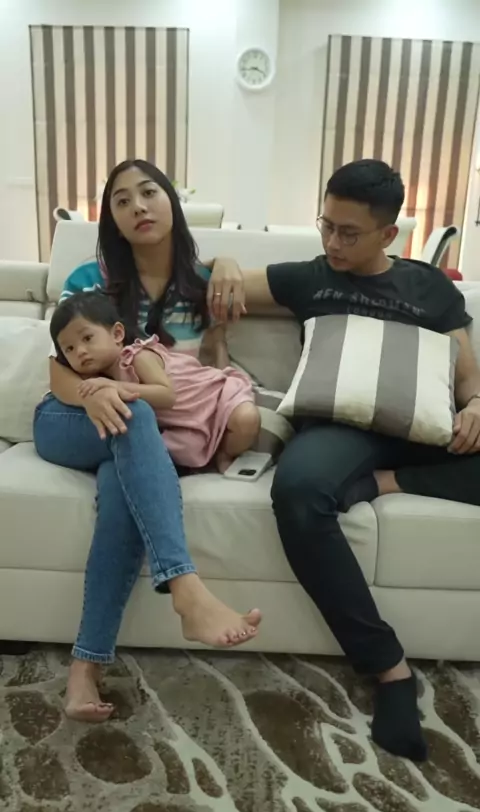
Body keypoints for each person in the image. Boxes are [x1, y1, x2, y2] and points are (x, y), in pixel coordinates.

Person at [208, 158, 480, 762]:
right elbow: (216, 280)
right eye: (326, 225)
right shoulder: (312, 277)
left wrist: (476, 405)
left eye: (348, 233)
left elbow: (465, 371)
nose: (332, 242)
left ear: (388, 234)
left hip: (421, 426)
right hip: (339, 426)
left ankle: (385, 482)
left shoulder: (429, 286)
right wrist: (223, 259)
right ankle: (389, 668)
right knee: (298, 491)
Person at [34, 159, 262, 723]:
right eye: (121, 200)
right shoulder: (88, 281)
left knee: (122, 485)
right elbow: (58, 371)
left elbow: (293, 294)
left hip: (139, 432)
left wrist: (228, 261)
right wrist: (90, 394)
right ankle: (185, 589)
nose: (137, 206)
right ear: (111, 219)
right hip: (68, 417)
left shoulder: (203, 284)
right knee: (131, 414)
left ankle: (85, 669)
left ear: (171, 203)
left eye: (148, 193)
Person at [50, 291, 260, 471]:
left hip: (216, 396)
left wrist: (115, 386)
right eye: (69, 348)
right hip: (186, 424)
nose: (80, 351)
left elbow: (166, 395)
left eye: (87, 338)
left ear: (117, 334)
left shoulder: (137, 356)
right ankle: (211, 453)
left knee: (246, 421)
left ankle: (224, 453)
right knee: (177, 451)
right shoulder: (98, 379)